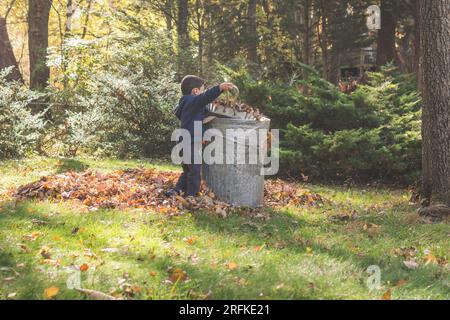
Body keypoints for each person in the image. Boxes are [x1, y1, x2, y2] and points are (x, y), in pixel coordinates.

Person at [166, 75, 236, 197]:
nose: (203, 92)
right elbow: (204, 98)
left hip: (185, 142)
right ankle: (191, 195)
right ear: (195, 91)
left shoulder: (188, 104)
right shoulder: (191, 100)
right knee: (195, 171)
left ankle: (176, 190)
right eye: (202, 90)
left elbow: (196, 119)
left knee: (188, 171)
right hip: (190, 143)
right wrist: (219, 88)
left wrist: (211, 117)